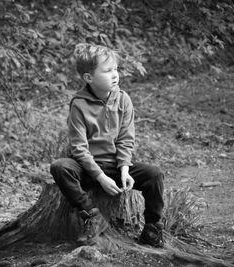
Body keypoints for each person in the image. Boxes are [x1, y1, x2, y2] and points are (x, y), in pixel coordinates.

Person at [50, 43, 165, 247]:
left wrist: (124, 170)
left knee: (154, 175)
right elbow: (79, 149)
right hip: (87, 168)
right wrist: (100, 177)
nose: (115, 75)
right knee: (60, 167)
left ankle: (152, 228)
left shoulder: (123, 100)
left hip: (114, 166)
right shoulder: (79, 105)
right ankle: (91, 216)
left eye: (115, 69)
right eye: (107, 70)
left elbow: (125, 139)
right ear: (89, 78)